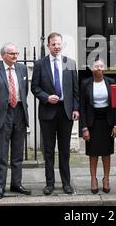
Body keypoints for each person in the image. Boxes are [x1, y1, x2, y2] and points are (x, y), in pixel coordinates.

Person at [31, 32, 80, 195]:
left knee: (65, 150)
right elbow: (34, 88)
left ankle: (66, 183)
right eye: (53, 44)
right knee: (49, 151)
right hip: (47, 113)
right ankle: (49, 183)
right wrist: (46, 97)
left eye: (59, 44)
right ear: (48, 46)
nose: (57, 47)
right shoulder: (40, 64)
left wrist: (76, 108)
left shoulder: (70, 63)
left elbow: (75, 90)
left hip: (66, 112)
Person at [0, 43, 31, 199]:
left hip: (19, 112)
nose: (15, 56)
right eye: (12, 54)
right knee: (2, 154)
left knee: (18, 153)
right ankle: (1, 186)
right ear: (3, 55)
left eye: (16, 53)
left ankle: (16, 184)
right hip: (3, 114)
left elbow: (25, 90)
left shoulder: (22, 69)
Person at [80, 59, 116, 194]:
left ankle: (106, 179)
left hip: (107, 122)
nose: (99, 68)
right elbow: (82, 107)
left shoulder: (111, 82)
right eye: (97, 66)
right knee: (93, 153)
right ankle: (93, 179)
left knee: (106, 153)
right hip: (92, 122)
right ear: (91, 69)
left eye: (102, 66)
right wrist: (84, 128)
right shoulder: (85, 83)